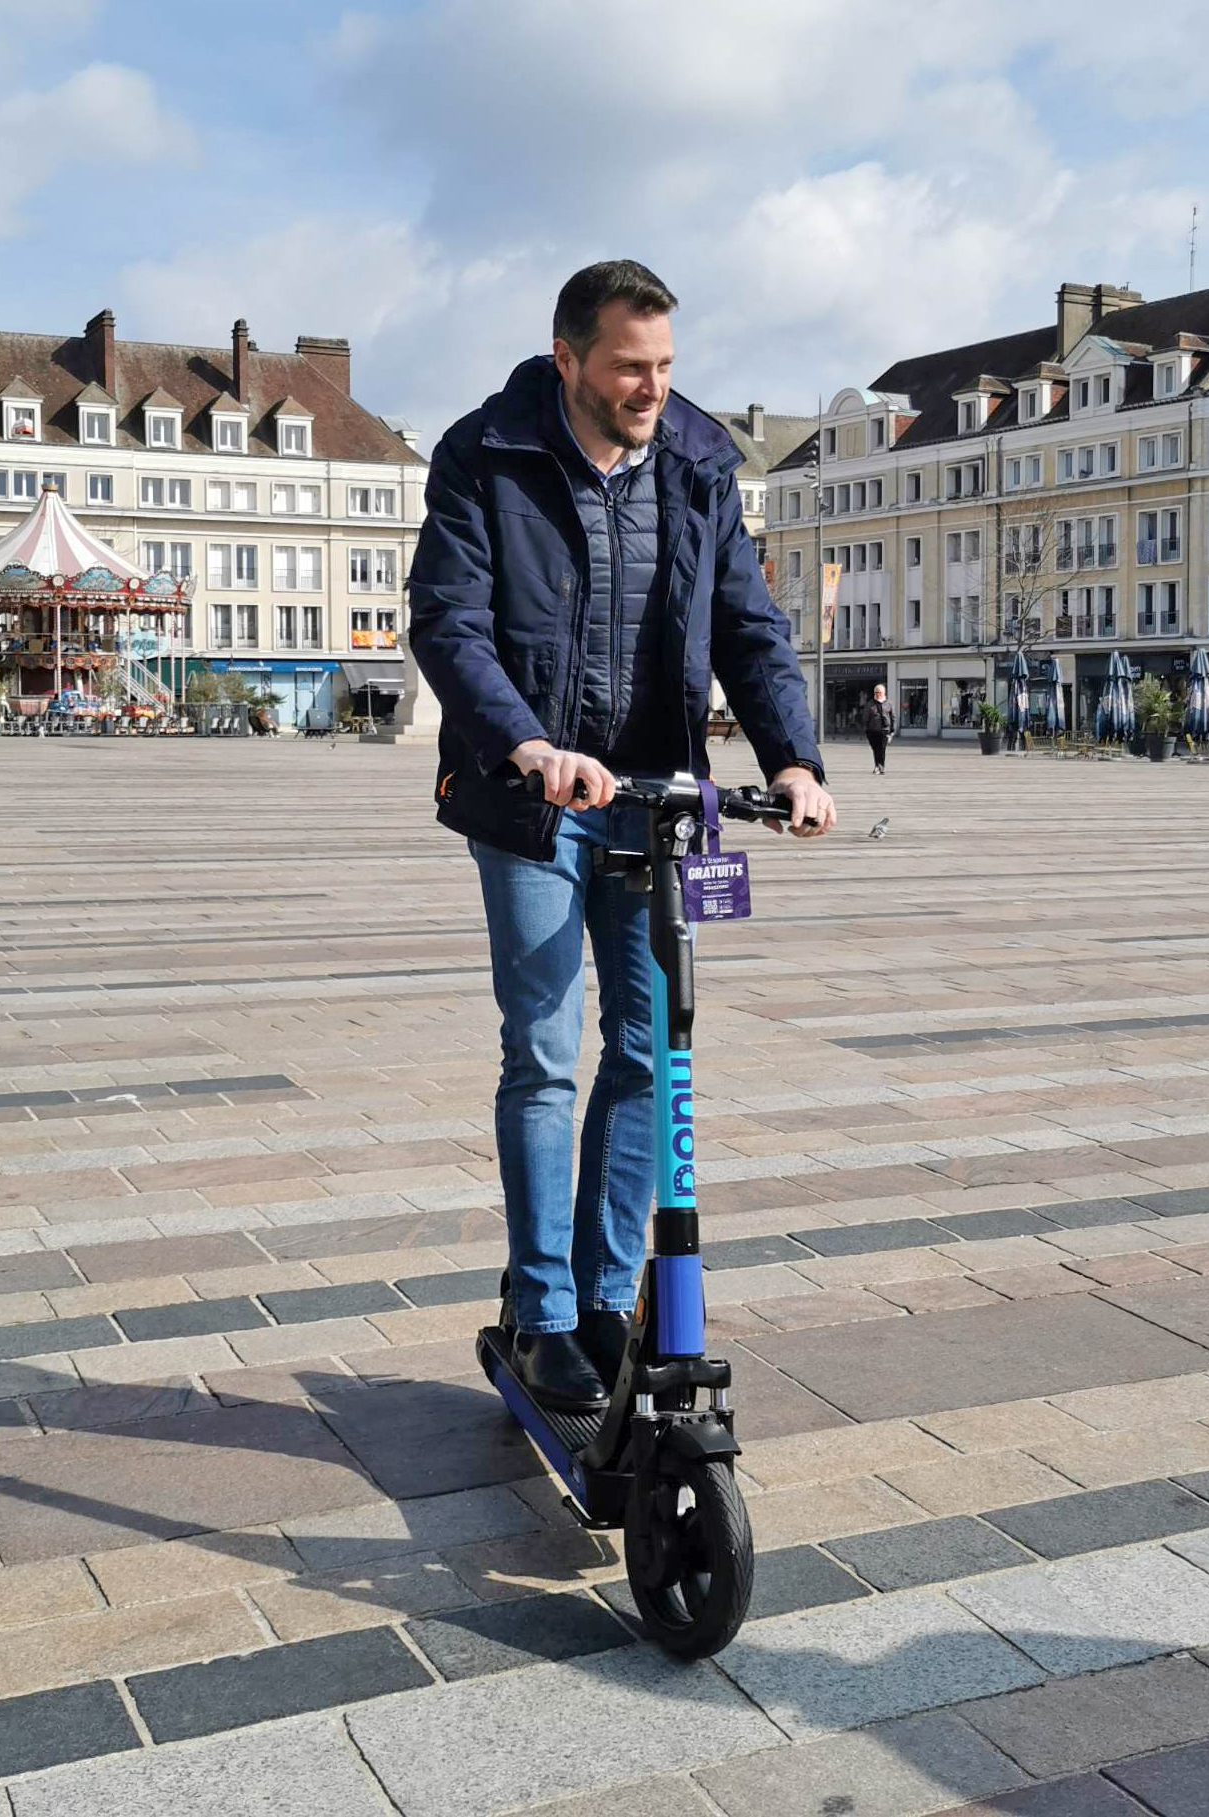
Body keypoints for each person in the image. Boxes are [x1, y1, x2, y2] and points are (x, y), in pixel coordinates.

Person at [408, 259, 835, 1412]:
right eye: (627, 366)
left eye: (664, 366)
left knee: (650, 1053)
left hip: (659, 803)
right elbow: (447, 621)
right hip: (534, 803)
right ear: (568, 359)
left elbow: (748, 624)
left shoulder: (698, 466)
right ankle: (544, 1312)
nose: (651, 387)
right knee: (545, 1053)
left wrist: (792, 757)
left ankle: (604, 1297)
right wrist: (525, 743)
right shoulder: (484, 452)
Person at [863, 683, 894, 774]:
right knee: (875, 749)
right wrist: (866, 730)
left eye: (879, 692)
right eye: (876, 692)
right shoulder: (870, 704)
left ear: (883, 693)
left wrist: (892, 730)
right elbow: (865, 718)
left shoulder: (889, 703)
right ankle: (877, 765)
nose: (877, 694)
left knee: (882, 749)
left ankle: (881, 766)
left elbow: (893, 717)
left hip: (885, 730)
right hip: (873, 730)